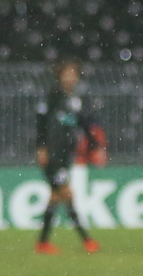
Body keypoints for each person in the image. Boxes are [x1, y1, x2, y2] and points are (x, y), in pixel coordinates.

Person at [34, 59, 100, 255]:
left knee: (56, 197)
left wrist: (94, 144)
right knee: (67, 195)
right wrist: (41, 147)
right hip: (53, 154)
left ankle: (43, 242)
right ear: (60, 76)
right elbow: (41, 122)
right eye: (67, 73)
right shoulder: (53, 96)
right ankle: (86, 239)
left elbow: (83, 123)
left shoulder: (75, 100)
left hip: (66, 154)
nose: (70, 77)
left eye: (73, 74)